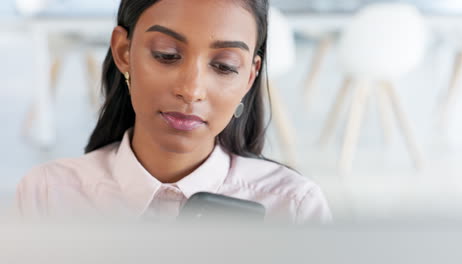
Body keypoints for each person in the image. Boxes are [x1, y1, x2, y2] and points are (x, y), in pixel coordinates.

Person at [16, 0, 332, 224]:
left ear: (250, 76)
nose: (191, 90)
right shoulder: (48, 195)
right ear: (124, 52)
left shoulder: (292, 208)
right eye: (167, 55)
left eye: (224, 66)